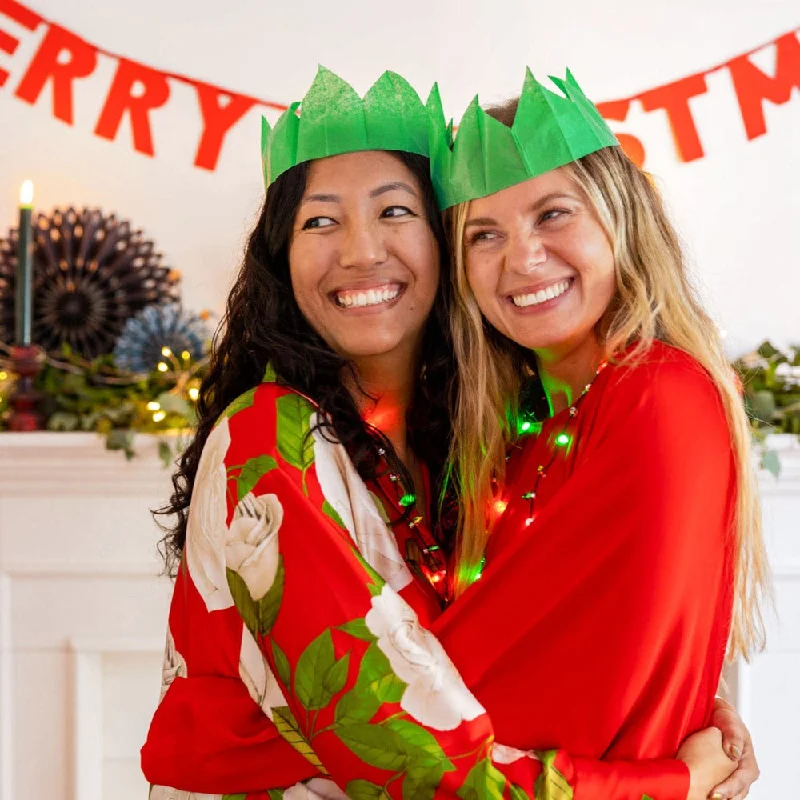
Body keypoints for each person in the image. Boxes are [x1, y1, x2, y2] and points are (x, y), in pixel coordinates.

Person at [142, 67, 759, 800]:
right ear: (280, 258)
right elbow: (406, 744)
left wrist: (698, 710)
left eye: (395, 212)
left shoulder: (480, 447)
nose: (361, 251)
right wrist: (670, 782)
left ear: (440, 249)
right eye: (319, 220)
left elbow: (572, 659)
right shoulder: (270, 439)